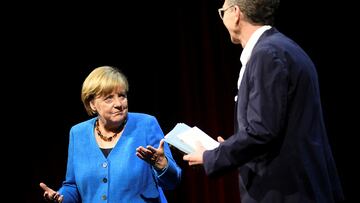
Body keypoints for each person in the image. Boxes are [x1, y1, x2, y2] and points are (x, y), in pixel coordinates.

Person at [183, 0, 344, 202]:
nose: (222, 18)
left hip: (285, 191)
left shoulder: (267, 54)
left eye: (222, 12)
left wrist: (212, 157)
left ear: (236, 14)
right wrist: (229, 146)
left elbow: (262, 130)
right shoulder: (284, 48)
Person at [39, 66, 182, 203]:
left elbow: (173, 181)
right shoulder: (78, 133)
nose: (119, 104)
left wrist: (162, 165)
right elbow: (72, 186)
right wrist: (61, 197)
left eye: (122, 96)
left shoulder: (146, 124)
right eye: (109, 98)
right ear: (92, 104)